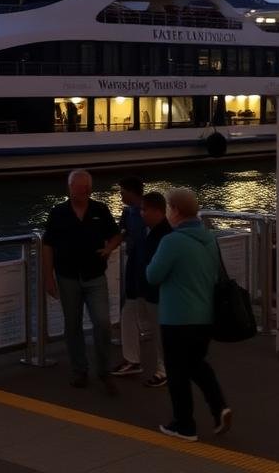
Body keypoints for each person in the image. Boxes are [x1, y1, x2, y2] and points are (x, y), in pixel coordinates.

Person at [146, 188, 230, 442]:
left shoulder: (172, 241)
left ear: (175, 210)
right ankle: (219, 407)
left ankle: (185, 425)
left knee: (177, 372)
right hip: (204, 317)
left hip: (176, 318)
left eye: (169, 208)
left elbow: (152, 276)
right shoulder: (209, 239)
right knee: (196, 364)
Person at [42, 169, 122, 395]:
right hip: (67, 277)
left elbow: (116, 235)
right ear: (70, 188)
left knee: (103, 323)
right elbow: (48, 245)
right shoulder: (58, 213)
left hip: (95, 276)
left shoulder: (100, 209)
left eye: (86, 187)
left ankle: (104, 371)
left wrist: (108, 248)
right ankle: (80, 370)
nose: (83, 191)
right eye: (79, 187)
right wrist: (48, 277)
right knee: (72, 325)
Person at [115, 190, 172, 387]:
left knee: (159, 329)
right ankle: (133, 359)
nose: (142, 213)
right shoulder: (147, 230)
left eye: (145, 210)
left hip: (153, 290)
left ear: (158, 211)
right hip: (139, 284)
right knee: (130, 314)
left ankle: (164, 368)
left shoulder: (165, 235)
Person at [111, 177, 146, 377]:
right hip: (136, 265)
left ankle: (139, 360)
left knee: (139, 310)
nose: (120, 196)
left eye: (123, 192)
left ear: (132, 192)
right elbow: (121, 233)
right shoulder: (130, 212)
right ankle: (133, 359)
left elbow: (122, 233)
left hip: (143, 265)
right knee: (131, 309)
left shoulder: (141, 212)